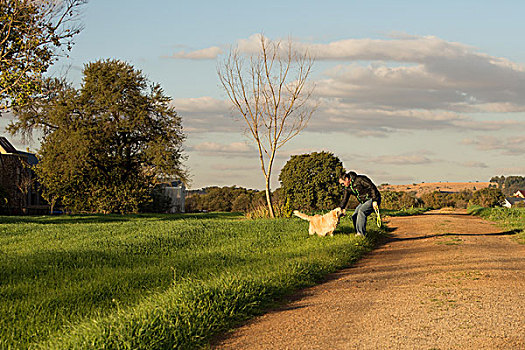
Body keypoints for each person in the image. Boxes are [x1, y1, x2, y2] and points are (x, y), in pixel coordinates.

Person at [338, 171, 381, 236]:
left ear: (346, 179)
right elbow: (345, 199)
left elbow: (372, 187)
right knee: (354, 215)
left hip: (372, 199)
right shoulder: (347, 188)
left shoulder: (360, 179)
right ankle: (358, 232)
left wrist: (375, 200)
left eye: (343, 183)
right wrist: (341, 208)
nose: (342, 185)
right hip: (363, 201)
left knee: (361, 211)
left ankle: (361, 234)